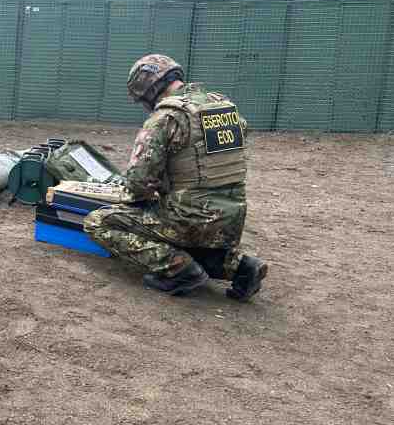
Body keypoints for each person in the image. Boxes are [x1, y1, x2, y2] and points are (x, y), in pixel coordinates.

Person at [83, 54, 268, 300]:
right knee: (181, 229)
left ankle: (179, 270)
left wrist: (141, 194)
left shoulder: (165, 117)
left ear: (148, 90)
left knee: (98, 221)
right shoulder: (221, 105)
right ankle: (242, 268)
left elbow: (138, 182)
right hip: (231, 219)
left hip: (189, 220)